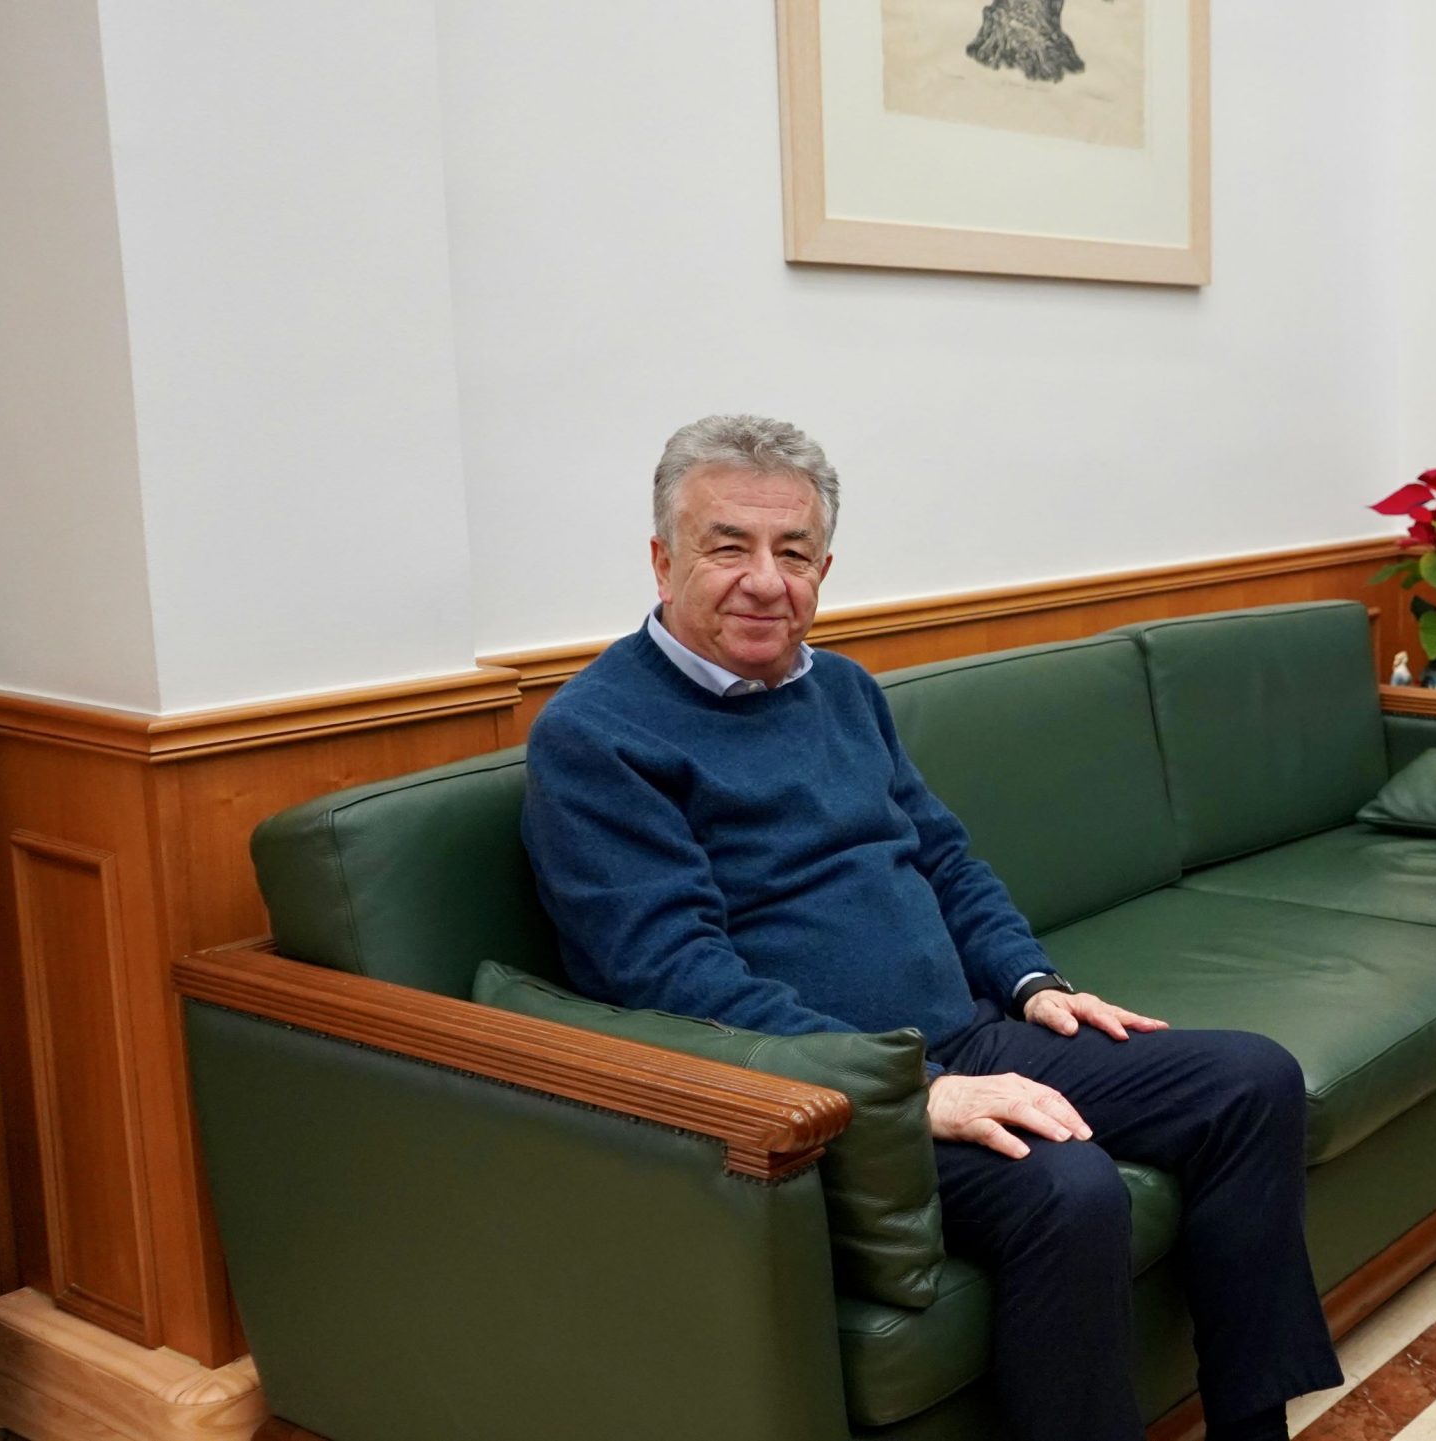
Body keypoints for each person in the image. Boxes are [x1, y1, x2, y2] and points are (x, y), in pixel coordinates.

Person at [520, 414, 1341, 1441]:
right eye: (728, 546)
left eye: (794, 553)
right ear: (661, 559)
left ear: (824, 570)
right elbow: (670, 978)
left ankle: (1254, 1430)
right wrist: (910, 1093)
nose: (765, 581)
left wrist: (1033, 982)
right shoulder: (595, 737)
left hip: (969, 1034)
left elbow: (946, 860)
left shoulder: (843, 688)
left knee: (1250, 1081)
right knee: (1070, 1188)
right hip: (822, 1103)